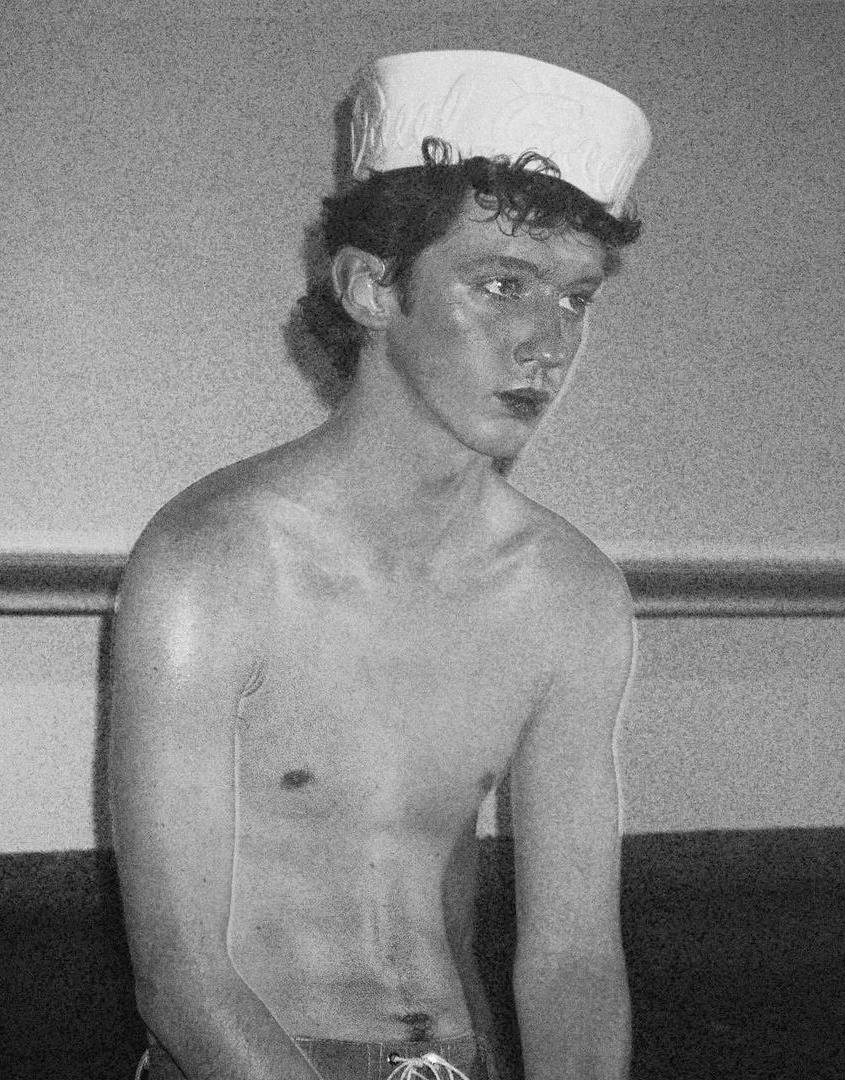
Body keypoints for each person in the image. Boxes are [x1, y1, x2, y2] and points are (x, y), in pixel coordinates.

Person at [110, 50, 651, 1080]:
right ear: (369, 287)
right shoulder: (215, 563)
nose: (546, 343)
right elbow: (181, 977)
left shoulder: (572, 594)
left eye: (575, 300)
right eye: (501, 285)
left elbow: (573, 961)